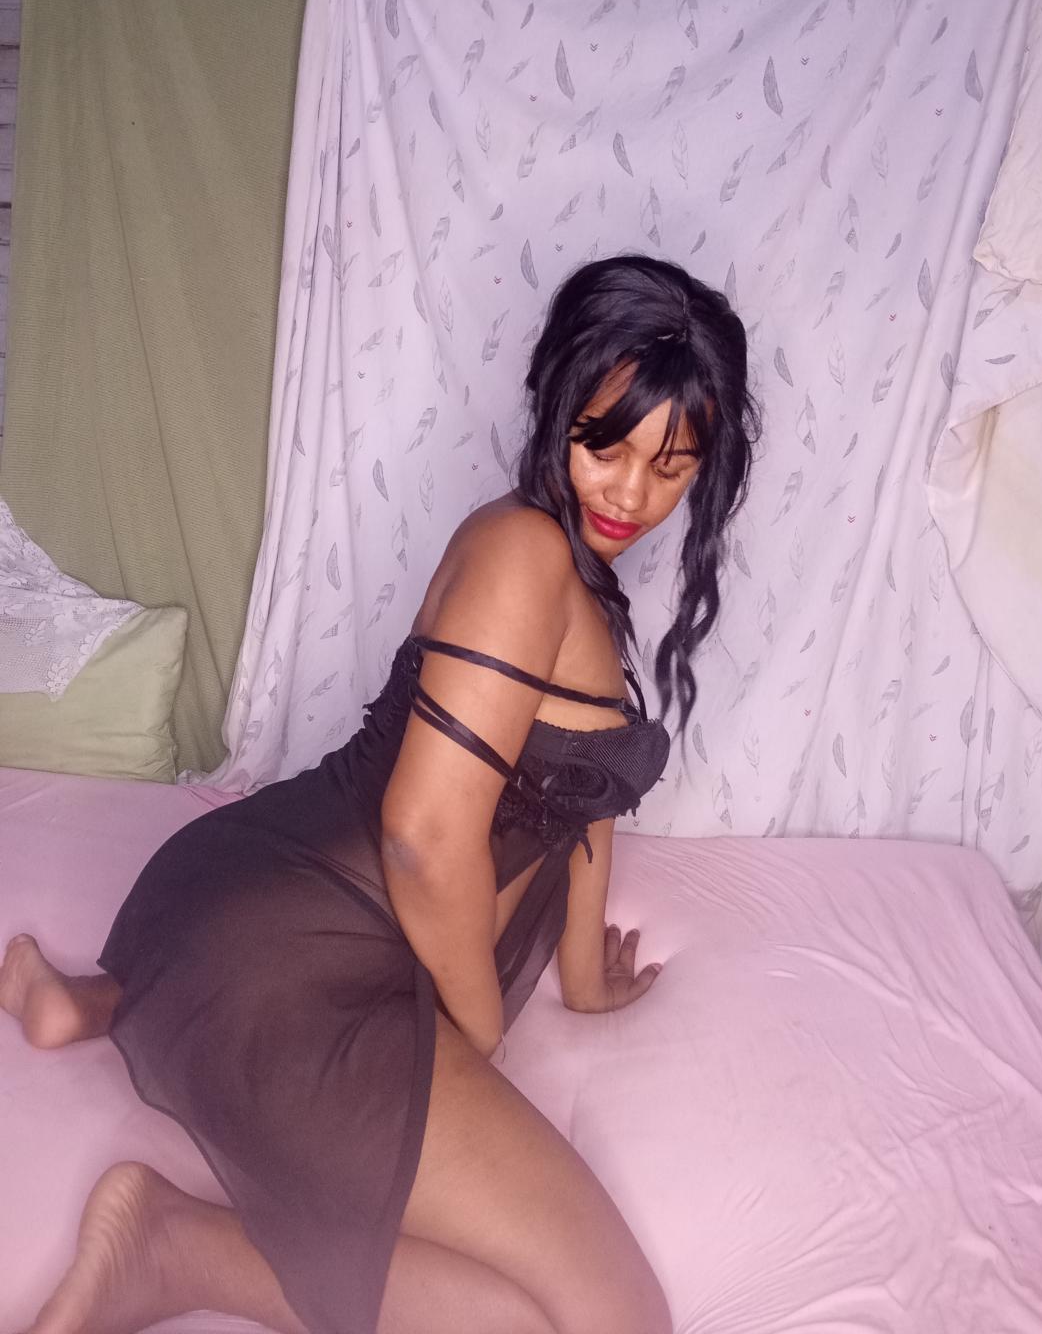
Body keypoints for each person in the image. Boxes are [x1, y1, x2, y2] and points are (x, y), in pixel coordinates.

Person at [0, 254, 758, 1334]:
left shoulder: (572, 576)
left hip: (283, 914)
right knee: (619, 1316)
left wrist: (586, 983)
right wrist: (478, 1035)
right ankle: (169, 1239)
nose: (631, 495)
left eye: (671, 466)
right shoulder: (522, 552)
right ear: (558, 409)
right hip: (284, 937)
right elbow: (419, 837)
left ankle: (107, 1023)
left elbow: (577, 795)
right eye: (607, 446)